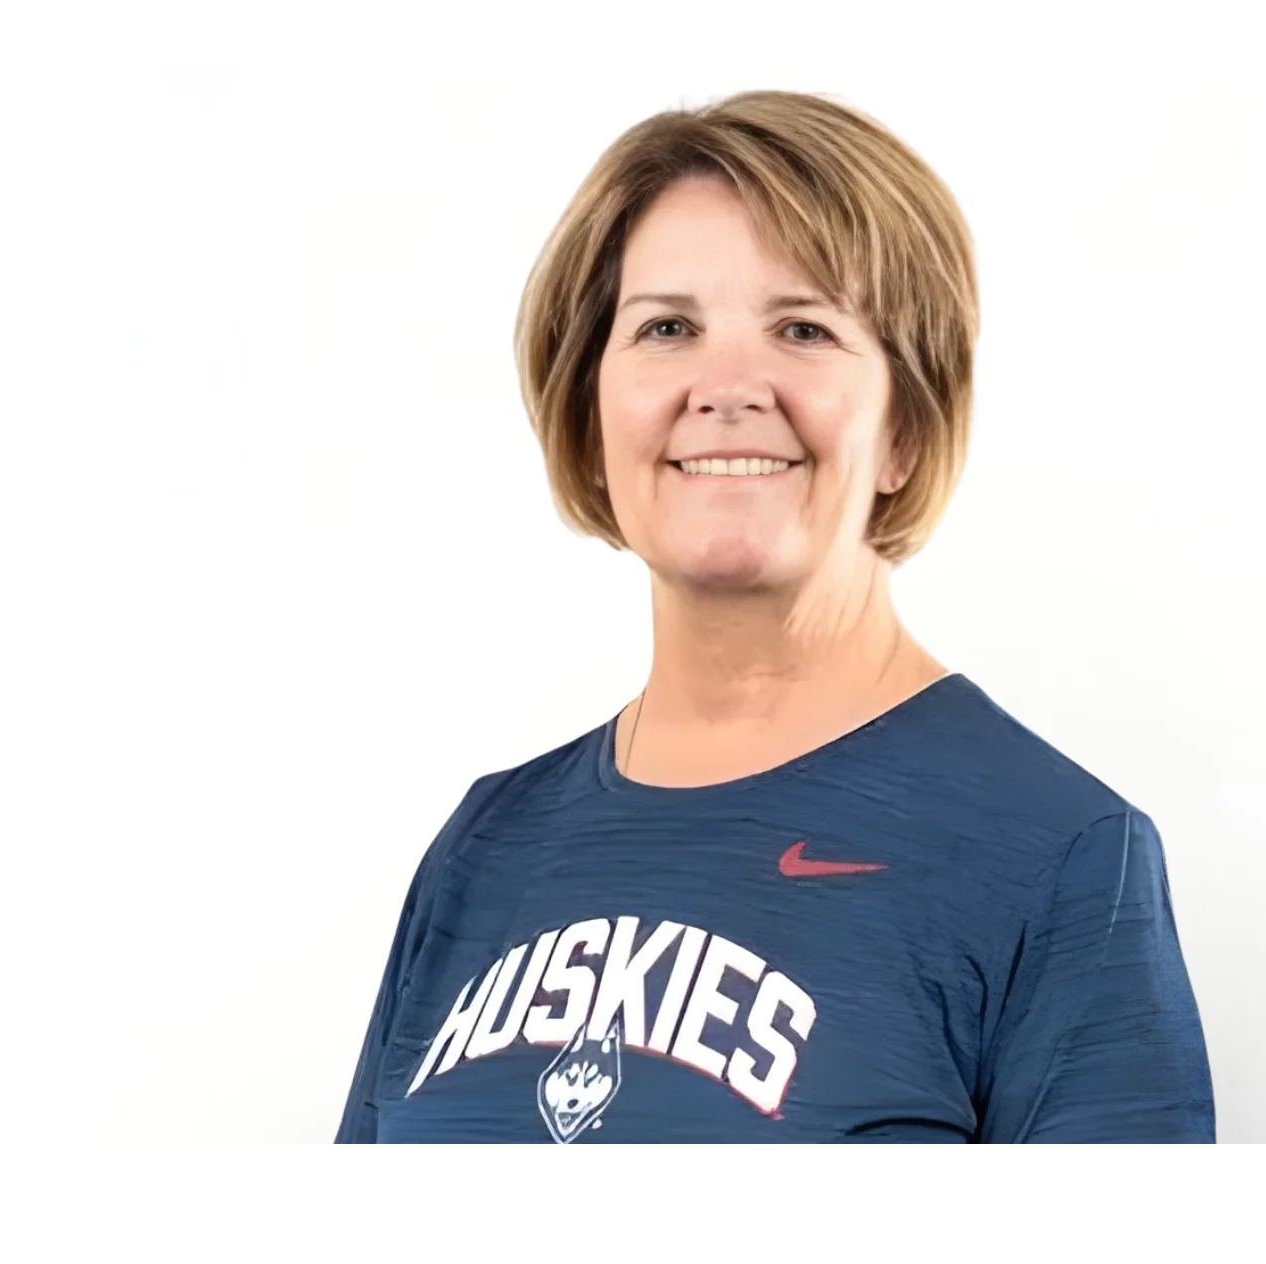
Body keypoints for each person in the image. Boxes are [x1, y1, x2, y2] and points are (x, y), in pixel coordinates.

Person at [336, 91, 1214, 1143]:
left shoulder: (1057, 854)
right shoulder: (484, 848)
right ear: (590, 412)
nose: (726, 387)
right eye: (666, 328)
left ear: (904, 427)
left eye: (803, 328)